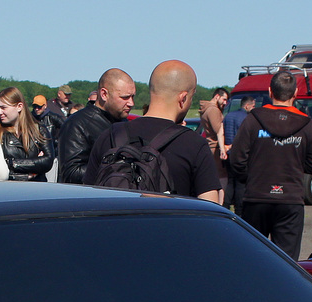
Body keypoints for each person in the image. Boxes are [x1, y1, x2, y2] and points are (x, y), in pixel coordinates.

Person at [85, 60, 221, 202]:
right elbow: (210, 209)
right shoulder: (194, 145)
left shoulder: (109, 135)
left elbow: (88, 197)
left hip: (115, 223)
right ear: (183, 98)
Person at [227, 69, 312, 259]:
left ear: (270, 92)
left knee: (253, 257)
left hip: (257, 196)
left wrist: (254, 175)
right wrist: (294, 167)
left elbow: (236, 159)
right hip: (290, 198)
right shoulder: (307, 124)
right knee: (287, 262)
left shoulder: (253, 120)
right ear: (296, 94)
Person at [58, 68, 135, 184]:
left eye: (132, 97)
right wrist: (116, 166)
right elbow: (71, 173)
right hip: (89, 199)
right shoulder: (77, 124)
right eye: (125, 97)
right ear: (104, 94)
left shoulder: (125, 124)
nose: (131, 103)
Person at [0, 87, 54, 181]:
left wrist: (10, 163)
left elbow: (47, 161)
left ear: (19, 106)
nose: (0, 112)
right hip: (8, 190)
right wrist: (26, 174)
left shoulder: (38, 129)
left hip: (37, 190)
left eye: (3, 107)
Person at [223, 95, 256, 214]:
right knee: (240, 184)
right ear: (247, 106)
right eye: (253, 106)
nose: (253, 108)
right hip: (240, 154)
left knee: (230, 182)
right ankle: (239, 209)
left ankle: (225, 206)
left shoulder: (228, 116)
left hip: (227, 152)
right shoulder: (246, 118)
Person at [199, 87, 228, 202]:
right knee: (222, 178)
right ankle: (220, 203)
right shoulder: (213, 110)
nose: (225, 103)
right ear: (217, 96)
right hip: (215, 147)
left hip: (209, 146)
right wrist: (223, 150)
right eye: (224, 99)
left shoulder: (205, 109)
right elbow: (219, 130)